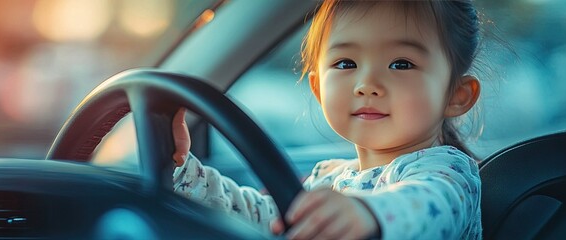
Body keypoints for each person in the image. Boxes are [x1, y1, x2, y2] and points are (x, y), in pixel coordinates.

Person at [172, 0, 483, 239]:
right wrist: (182, 171)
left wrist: (368, 213)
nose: (367, 85)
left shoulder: (450, 174)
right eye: (346, 63)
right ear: (318, 87)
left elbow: (426, 206)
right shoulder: (329, 177)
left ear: (456, 95)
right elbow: (261, 215)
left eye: (401, 64)